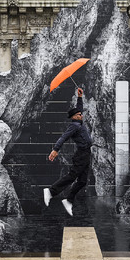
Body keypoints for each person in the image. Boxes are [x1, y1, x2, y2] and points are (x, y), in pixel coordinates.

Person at [43, 87, 93, 216]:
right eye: (78, 115)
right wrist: (55, 150)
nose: (81, 115)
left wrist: (80, 97)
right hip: (81, 154)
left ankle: (69, 200)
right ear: (73, 117)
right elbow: (63, 137)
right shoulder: (74, 125)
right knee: (72, 176)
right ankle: (51, 191)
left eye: (81, 114)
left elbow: (79, 109)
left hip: (86, 154)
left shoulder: (79, 123)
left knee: (82, 181)